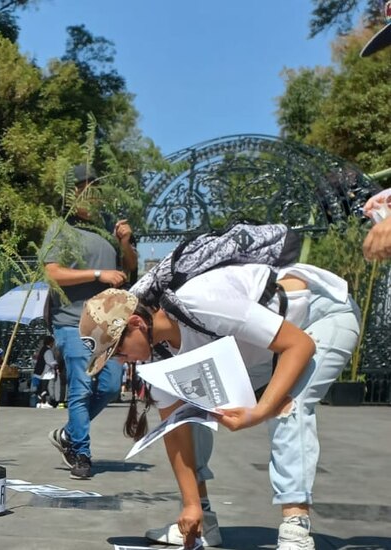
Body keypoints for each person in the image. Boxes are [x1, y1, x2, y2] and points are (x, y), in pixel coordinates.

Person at [83, 260, 358, 550]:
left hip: (321, 316)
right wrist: (191, 505)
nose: (120, 361)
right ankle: (205, 522)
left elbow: (299, 345)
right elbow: (176, 430)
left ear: (137, 324)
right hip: (266, 349)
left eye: (117, 351)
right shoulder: (158, 357)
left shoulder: (201, 301)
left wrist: (260, 410)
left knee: (287, 405)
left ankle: (295, 531)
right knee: (190, 410)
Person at [42, 163, 138, 479]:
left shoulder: (106, 231)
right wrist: (98, 274)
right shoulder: (60, 227)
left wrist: (124, 243)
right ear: (73, 193)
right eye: (86, 190)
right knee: (82, 388)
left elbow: (131, 268)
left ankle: (69, 433)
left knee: (110, 386)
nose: (92, 197)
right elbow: (51, 272)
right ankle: (80, 453)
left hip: (109, 325)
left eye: (96, 190)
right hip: (72, 321)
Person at [33, 336, 58, 409]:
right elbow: (50, 362)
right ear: (50, 342)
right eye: (53, 342)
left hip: (41, 371)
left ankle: (41, 402)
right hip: (45, 373)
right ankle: (43, 402)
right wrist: (57, 363)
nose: (53, 344)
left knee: (41, 388)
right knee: (44, 387)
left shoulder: (43, 349)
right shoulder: (48, 351)